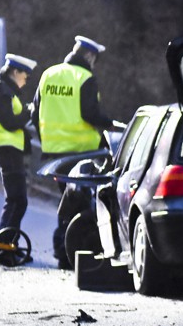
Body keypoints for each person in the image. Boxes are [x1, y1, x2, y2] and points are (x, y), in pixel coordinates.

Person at [31, 36, 121, 269]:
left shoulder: (48, 74)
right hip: (82, 153)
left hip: (54, 154)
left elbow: (35, 114)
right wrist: (110, 124)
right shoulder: (85, 78)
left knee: (67, 200)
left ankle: (64, 252)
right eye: (95, 60)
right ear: (89, 57)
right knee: (83, 202)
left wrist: (47, 141)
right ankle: (74, 252)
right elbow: (89, 114)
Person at [0, 53, 38, 261]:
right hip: (6, 147)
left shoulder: (5, 90)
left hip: (9, 147)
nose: (26, 80)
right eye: (26, 75)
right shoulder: (0, 91)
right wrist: (29, 112)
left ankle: (8, 246)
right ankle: (3, 250)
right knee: (17, 200)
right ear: (15, 72)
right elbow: (10, 122)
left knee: (16, 200)